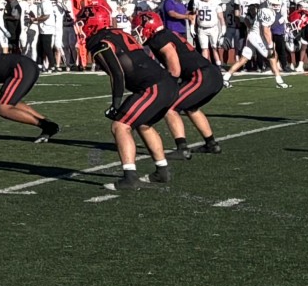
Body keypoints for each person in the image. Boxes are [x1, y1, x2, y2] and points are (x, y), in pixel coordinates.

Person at [86, 17, 178, 189]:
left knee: (120, 126)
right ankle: (162, 171)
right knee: (143, 124)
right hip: (167, 84)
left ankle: (130, 178)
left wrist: (115, 104)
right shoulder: (119, 33)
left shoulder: (102, 42)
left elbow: (117, 74)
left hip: (153, 86)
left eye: (83, 21)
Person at [143, 17, 224, 155]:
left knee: (169, 106)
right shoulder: (166, 34)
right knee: (191, 107)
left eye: (140, 26)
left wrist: (168, 85)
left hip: (201, 75)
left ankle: (182, 148)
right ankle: (211, 144)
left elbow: (175, 69)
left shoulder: (159, 38)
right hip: (211, 74)